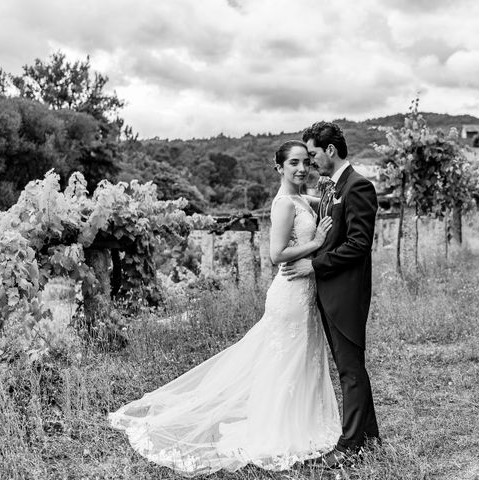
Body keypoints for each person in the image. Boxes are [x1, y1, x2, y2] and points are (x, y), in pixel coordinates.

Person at [108, 140, 340, 476]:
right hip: (290, 291)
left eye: (306, 162)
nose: (301, 168)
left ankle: (299, 419)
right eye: (293, 163)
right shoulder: (283, 205)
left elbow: (333, 203)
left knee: (298, 358)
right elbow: (276, 255)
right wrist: (316, 243)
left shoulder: (302, 198)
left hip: (304, 292)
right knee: (285, 359)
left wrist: (333, 186)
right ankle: (279, 428)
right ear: (279, 167)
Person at [282, 121, 380, 468]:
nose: (310, 163)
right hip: (329, 292)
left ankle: (350, 444)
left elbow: (358, 245)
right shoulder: (331, 188)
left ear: (330, 151)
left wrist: (315, 266)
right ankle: (370, 438)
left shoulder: (358, 187)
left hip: (346, 292)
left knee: (350, 370)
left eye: (312, 155)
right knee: (350, 367)